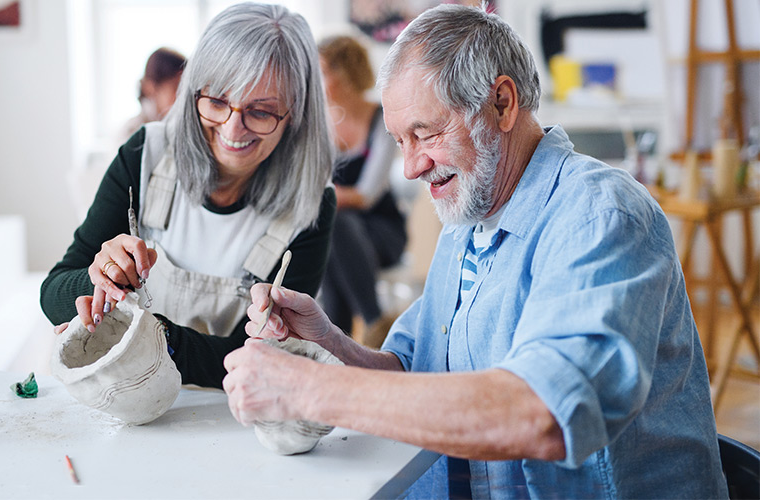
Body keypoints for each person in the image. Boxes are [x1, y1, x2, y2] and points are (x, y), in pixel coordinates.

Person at [222, 4, 727, 498]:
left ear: (502, 104)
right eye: (400, 141)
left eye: (426, 133)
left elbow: (545, 414)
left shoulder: (601, 217)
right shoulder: (468, 220)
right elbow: (413, 374)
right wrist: (329, 342)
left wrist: (310, 390)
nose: (411, 167)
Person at [40, 2, 335, 389]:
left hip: (228, 412)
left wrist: (157, 338)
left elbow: (268, 354)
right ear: (193, 91)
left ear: (295, 114)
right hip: (118, 398)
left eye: (260, 112)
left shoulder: (310, 206)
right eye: (216, 102)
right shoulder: (146, 155)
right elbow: (52, 293)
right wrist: (99, 281)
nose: (233, 129)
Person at [316, 35, 406, 348]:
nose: (318, 80)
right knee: (330, 232)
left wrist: (321, 197)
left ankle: (367, 322)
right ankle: (345, 338)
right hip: (343, 236)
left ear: (344, 74)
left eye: (323, 72)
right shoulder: (324, 126)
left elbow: (366, 195)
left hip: (383, 231)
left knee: (334, 224)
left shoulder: (382, 121)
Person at [117, 47, 186, 145]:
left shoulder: (179, 127)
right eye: (176, 88)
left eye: (184, 89)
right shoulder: (132, 132)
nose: (181, 96)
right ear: (150, 88)